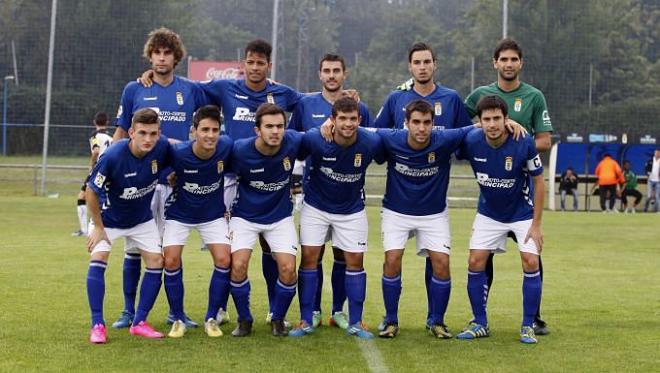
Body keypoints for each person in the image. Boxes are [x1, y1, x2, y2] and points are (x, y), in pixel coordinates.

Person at [112, 27, 208, 329]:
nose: (162, 58)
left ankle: (175, 312)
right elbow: (120, 133)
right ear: (150, 56)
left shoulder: (192, 90)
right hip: (138, 184)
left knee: (170, 252)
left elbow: (206, 128)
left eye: (167, 53)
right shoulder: (134, 89)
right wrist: (107, 166)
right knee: (133, 250)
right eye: (157, 52)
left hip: (172, 183)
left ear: (176, 57)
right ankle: (128, 311)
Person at [375, 42, 473, 327]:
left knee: (438, 261)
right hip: (398, 202)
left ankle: (435, 320)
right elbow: (376, 137)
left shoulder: (452, 99)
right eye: (417, 62)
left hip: (434, 202)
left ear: (434, 64)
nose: (422, 66)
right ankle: (390, 318)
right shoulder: (396, 99)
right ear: (410, 66)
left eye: (427, 61)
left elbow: (467, 138)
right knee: (393, 260)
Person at [464, 38, 553, 334]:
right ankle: (480, 319)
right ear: (495, 63)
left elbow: (544, 141)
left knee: (532, 257)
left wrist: (518, 134)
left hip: (521, 190)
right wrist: (485, 128)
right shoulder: (480, 95)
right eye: (504, 59)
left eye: (514, 59)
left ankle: (533, 319)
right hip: (491, 197)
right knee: (480, 258)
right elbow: (457, 128)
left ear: (520, 63)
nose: (509, 64)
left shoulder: (534, 96)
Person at [287, 53, 372, 329]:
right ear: (319, 74)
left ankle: (339, 310)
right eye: (327, 70)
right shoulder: (305, 104)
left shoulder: (361, 108)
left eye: (337, 70)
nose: (332, 75)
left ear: (344, 73)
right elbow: (293, 142)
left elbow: (369, 141)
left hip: (350, 198)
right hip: (316, 196)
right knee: (313, 255)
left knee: (343, 255)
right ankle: (311, 313)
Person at [455, 95, 545, 344]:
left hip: (521, 213)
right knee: (475, 261)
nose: (492, 124)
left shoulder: (522, 140)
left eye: (497, 118)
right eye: (487, 119)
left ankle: (528, 325)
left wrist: (537, 225)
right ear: (479, 122)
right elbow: (446, 143)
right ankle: (479, 322)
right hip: (489, 213)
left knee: (530, 261)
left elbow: (539, 180)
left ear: (507, 120)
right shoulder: (471, 140)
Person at [85, 108, 171, 343]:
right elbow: (91, 191)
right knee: (99, 259)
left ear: (159, 133)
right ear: (131, 132)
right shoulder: (114, 155)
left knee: (156, 262)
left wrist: (173, 175)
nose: (148, 139)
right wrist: (99, 228)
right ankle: (98, 325)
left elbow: (181, 156)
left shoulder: (162, 147)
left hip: (141, 219)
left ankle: (139, 322)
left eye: (153, 134)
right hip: (108, 220)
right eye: (142, 133)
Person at [227, 103, 302, 337]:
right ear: (257, 130)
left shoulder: (294, 142)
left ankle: (278, 318)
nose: (275, 131)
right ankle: (244, 319)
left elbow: (320, 136)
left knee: (289, 269)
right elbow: (217, 168)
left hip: (279, 217)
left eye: (279, 126)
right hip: (244, 217)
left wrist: (329, 125)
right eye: (269, 126)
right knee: (238, 265)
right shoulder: (239, 150)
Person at [161, 105, 233, 338]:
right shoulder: (178, 153)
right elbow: (156, 162)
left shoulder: (227, 146)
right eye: (205, 130)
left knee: (224, 259)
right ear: (193, 131)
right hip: (179, 214)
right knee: (170, 260)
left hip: (212, 215)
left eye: (215, 130)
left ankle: (211, 318)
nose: (210, 135)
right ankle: (178, 317)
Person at [72, 112, 113, 237]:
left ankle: (88, 228)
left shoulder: (94, 135)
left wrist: (92, 164)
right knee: (94, 196)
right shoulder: (111, 137)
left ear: (94, 122)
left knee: (85, 197)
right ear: (107, 122)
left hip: (99, 169)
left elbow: (95, 151)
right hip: (110, 169)